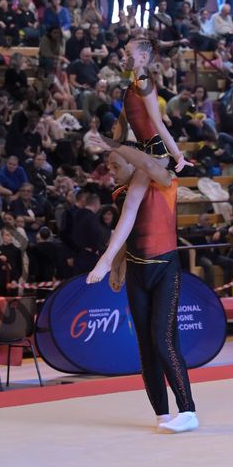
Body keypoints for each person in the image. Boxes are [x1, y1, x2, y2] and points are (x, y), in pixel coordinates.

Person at [84, 132, 198, 433]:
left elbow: (147, 163)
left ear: (133, 162)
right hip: (137, 272)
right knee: (145, 346)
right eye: (109, 166)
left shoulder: (164, 179)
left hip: (165, 269)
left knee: (163, 339)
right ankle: (162, 413)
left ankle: (188, 410)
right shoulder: (122, 194)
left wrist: (114, 143)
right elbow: (127, 231)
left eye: (115, 165)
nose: (111, 171)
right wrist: (117, 266)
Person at [115, 32, 189, 172]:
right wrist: (114, 146)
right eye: (124, 54)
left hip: (154, 150)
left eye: (128, 54)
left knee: (135, 187)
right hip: (142, 149)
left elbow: (158, 122)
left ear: (143, 57)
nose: (123, 58)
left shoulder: (144, 83)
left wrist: (178, 155)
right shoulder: (134, 85)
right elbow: (123, 118)